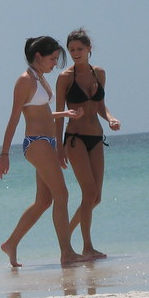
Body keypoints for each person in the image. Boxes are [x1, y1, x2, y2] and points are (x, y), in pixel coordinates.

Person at [0, 36, 83, 268]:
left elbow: (41, 113)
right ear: (38, 56)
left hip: (48, 142)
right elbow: (15, 118)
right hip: (35, 143)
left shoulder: (40, 79)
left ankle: (11, 243)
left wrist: (65, 115)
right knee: (62, 195)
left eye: (56, 59)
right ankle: (67, 253)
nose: (55, 63)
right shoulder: (25, 81)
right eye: (52, 58)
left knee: (44, 201)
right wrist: (4, 154)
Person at [56, 28, 120, 260]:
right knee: (88, 192)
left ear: (89, 49)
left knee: (96, 197)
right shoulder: (65, 77)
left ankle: (68, 235)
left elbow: (101, 106)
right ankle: (87, 247)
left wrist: (111, 118)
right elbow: (60, 113)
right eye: (72, 50)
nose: (75, 53)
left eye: (80, 49)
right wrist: (58, 146)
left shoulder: (99, 73)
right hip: (74, 138)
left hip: (96, 136)